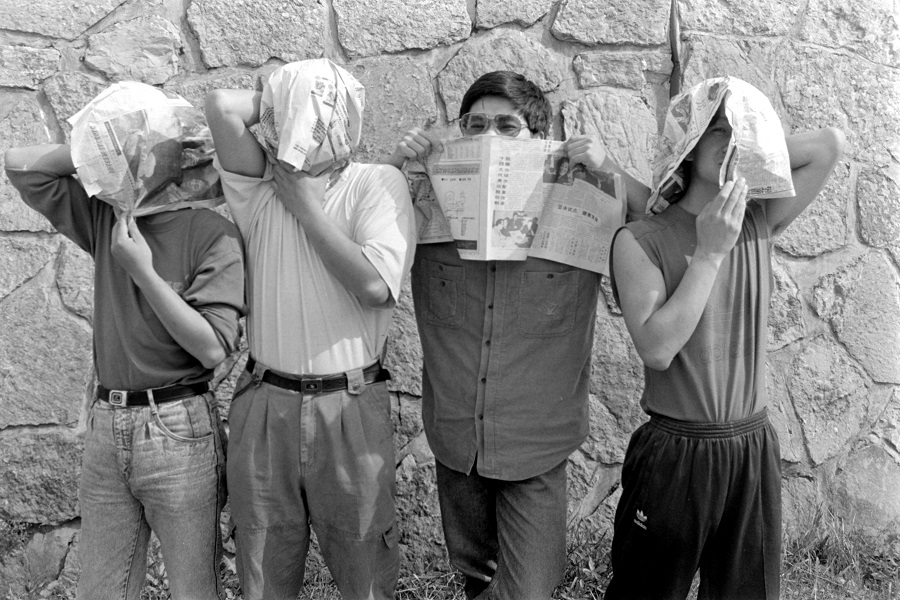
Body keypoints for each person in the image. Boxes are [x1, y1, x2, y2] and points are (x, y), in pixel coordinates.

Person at [386, 70, 650, 600]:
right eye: (475, 125)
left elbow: (659, 221)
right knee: (477, 576)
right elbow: (357, 225)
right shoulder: (429, 200)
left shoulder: (582, 197)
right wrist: (394, 169)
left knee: (530, 588)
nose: (489, 137)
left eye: (507, 127)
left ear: (540, 138)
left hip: (536, 443)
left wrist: (609, 167)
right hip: (456, 436)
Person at [604, 83, 845, 599]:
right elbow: (656, 349)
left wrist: (750, 141)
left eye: (740, 129)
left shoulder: (756, 219)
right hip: (676, 454)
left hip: (751, 447)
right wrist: (710, 253)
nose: (730, 138)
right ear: (688, 143)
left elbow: (828, 145)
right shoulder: (639, 240)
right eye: (716, 128)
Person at [204, 58, 416, 600]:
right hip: (265, 404)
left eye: (318, 111)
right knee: (261, 575)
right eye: (293, 113)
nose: (304, 125)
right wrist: (286, 95)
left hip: (350, 407)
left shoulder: (377, 181)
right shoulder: (259, 191)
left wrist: (305, 206)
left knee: (366, 575)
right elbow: (222, 106)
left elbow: (374, 286)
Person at [4, 143, 245, 600]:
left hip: (178, 429)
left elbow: (213, 347)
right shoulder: (107, 217)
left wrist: (140, 270)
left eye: (145, 143)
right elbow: (22, 166)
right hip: (106, 426)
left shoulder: (213, 233)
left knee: (195, 590)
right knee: (100, 591)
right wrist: (100, 146)